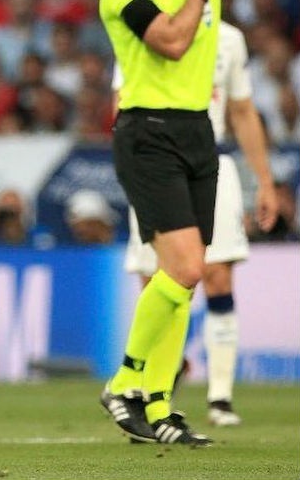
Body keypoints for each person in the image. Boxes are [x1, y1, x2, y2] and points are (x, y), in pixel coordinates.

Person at [98, 0, 295, 445]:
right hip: (148, 132)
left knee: (181, 280)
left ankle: (160, 407)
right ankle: (125, 382)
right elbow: (170, 39)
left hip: (197, 134)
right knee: (186, 269)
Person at [116, 21, 276, 427]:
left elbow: (242, 110)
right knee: (157, 282)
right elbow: (122, 101)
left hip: (210, 160)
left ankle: (220, 396)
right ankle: (152, 391)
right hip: (154, 160)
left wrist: (264, 180)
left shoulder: (229, 39)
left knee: (216, 275)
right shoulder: (144, 23)